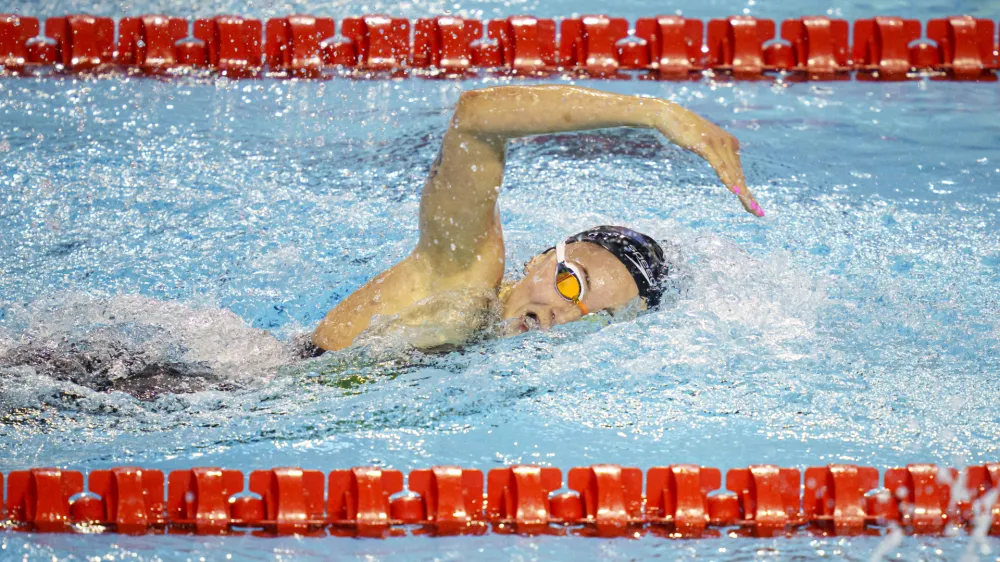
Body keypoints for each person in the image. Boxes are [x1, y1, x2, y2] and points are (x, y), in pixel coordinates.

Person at [311, 85, 763, 353]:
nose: (563, 315)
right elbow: (474, 119)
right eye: (571, 284)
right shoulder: (460, 282)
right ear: (540, 260)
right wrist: (654, 112)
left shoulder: (494, 348)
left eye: (595, 318)